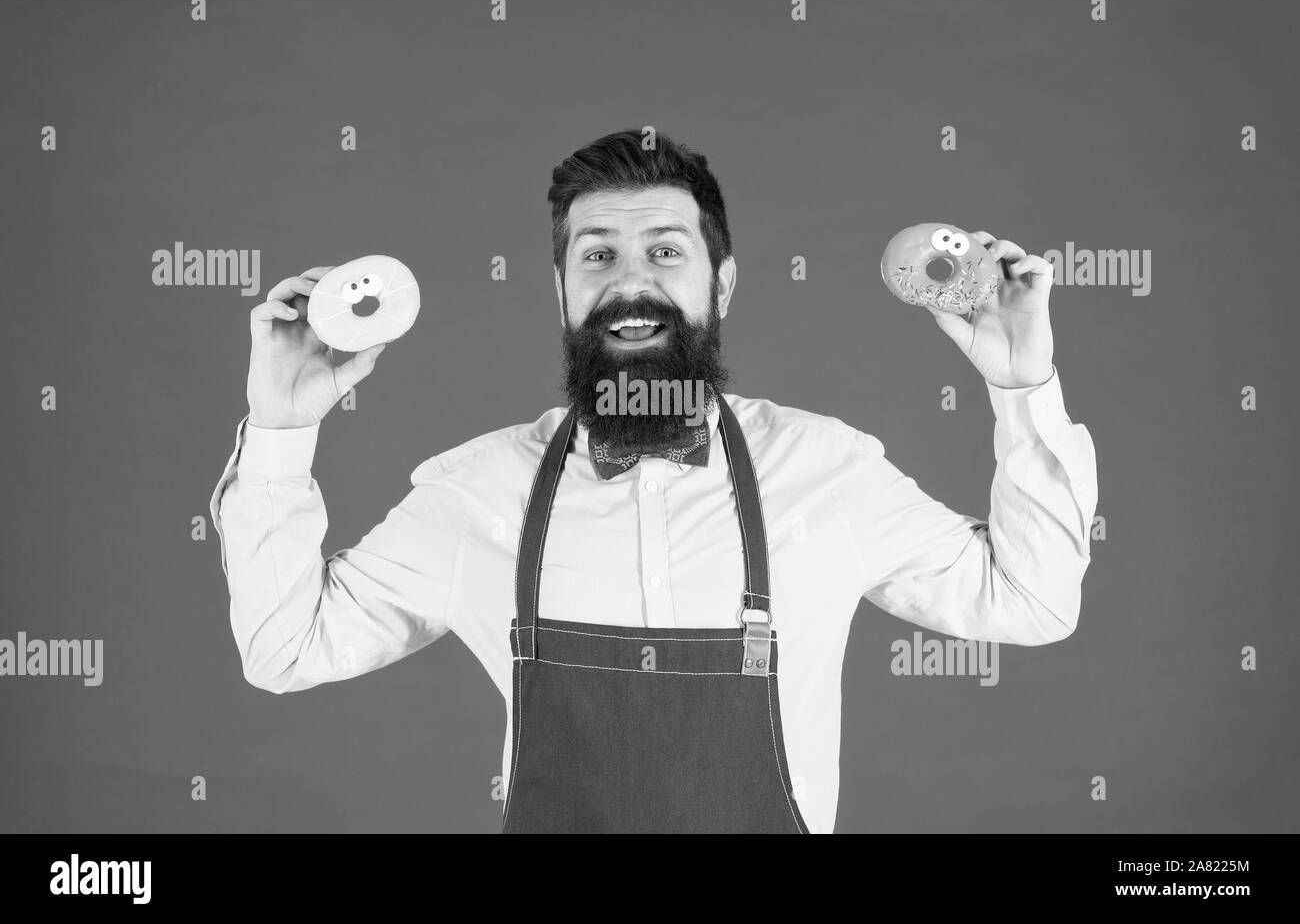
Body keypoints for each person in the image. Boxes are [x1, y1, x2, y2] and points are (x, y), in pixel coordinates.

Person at [210, 128, 1098, 833]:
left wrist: (1022, 386)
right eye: (596, 256)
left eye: (666, 252)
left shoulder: (826, 472)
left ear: (724, 281)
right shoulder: (476, 494)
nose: (631, 281)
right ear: (560, 291)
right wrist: (284, 432)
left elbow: (1030, 599)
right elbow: (286, 648)